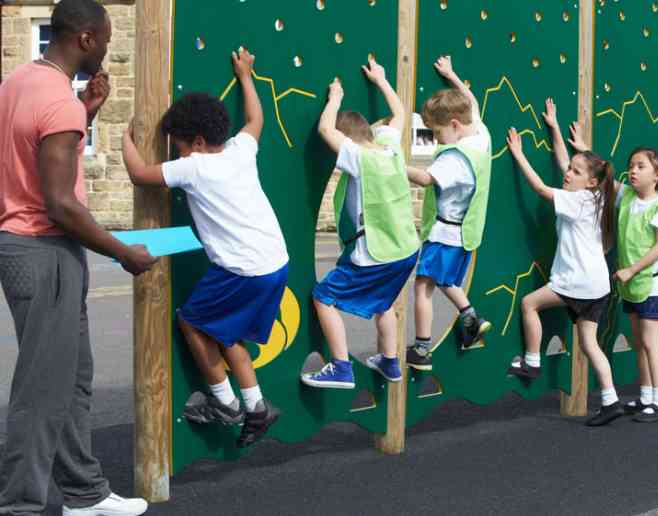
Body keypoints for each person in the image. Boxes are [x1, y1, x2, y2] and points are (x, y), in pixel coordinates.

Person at [0, 0, 155, 513]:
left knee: (73, 376)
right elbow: (61, 204)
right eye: (107, 40)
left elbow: (26, 154)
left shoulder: (21, 81)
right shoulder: (57, 104)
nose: (109, 49)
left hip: (27, 245)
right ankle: (20, 504)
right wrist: (122, 253)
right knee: (43, 390)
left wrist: (86, 112)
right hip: (44, 249)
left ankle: (83, 493)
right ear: (86, 39)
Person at [123, 49, 287, 447]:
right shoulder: (239, 151)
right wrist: (246, 76)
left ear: (196, 142)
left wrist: (126, 138)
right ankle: (257, 407)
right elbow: (256, 120)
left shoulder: (194, 166)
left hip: (241, 270)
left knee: (192, 322)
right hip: (274, 263)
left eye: (178, 145)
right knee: (228, 335)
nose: (177, 153)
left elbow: (140, 175)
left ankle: (225, 404)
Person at [301, 57, 420, 388]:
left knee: (323, 296)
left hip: (376, 253)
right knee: (385, 303)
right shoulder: (390, 148)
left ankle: (341, 366)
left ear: (348, 141)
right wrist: (381, 79)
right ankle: (390, 361)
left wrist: (335, 98)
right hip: (407, 249)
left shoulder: (357, 156)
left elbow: (325, 129)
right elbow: (399, 114)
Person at [504, 97, 624, 426]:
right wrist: (555, 128)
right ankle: (611, 400)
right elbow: (563, 164)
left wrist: (519, 155)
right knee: (589, 343)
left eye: (576, 171)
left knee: (529, 304)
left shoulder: (579, 201)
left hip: (577, 282)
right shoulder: (599, 195)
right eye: (570, 169)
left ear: (592, 182)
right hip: (598, 286)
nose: (568, 174)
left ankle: (531, 361)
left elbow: (543, 189)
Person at [404, 56, 492, 371]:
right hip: (463, 233)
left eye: (437, 133)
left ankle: (422, 349)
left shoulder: (455, 158)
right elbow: (472, 101)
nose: (437, 139)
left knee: (423, 286)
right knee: (444, 280)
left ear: (454, 125)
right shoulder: (481, 137)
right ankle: (470, 318)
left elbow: (427, 178)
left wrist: (393, 166)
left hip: (443, 231)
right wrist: (452, 74)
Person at [614, 148, 658, 423]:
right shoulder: (629, 197)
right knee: (637, 342)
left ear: (657, 175)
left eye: (640, 166)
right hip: (632, 285)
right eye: (631, 165)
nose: (633, 170)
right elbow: (606, 177)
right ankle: (645, 396)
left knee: (650, 342)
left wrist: (631, 269)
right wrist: (582, 146)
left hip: (651, 284)